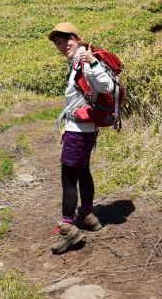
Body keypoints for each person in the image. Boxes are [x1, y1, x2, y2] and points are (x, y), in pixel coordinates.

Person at [48, 22, 114, 254]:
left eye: (66, 40)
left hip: (81, 131)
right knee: (82, 170)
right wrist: (67, 124)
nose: (62, 45)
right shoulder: (76, 62)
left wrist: (94, 63)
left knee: (68, 176)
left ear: (76, 38)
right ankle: (87, 215)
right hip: (81, 128)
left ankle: (68, 228)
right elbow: (76, 100)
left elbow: (106, 87)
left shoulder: (86, 60)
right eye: (58, 42)